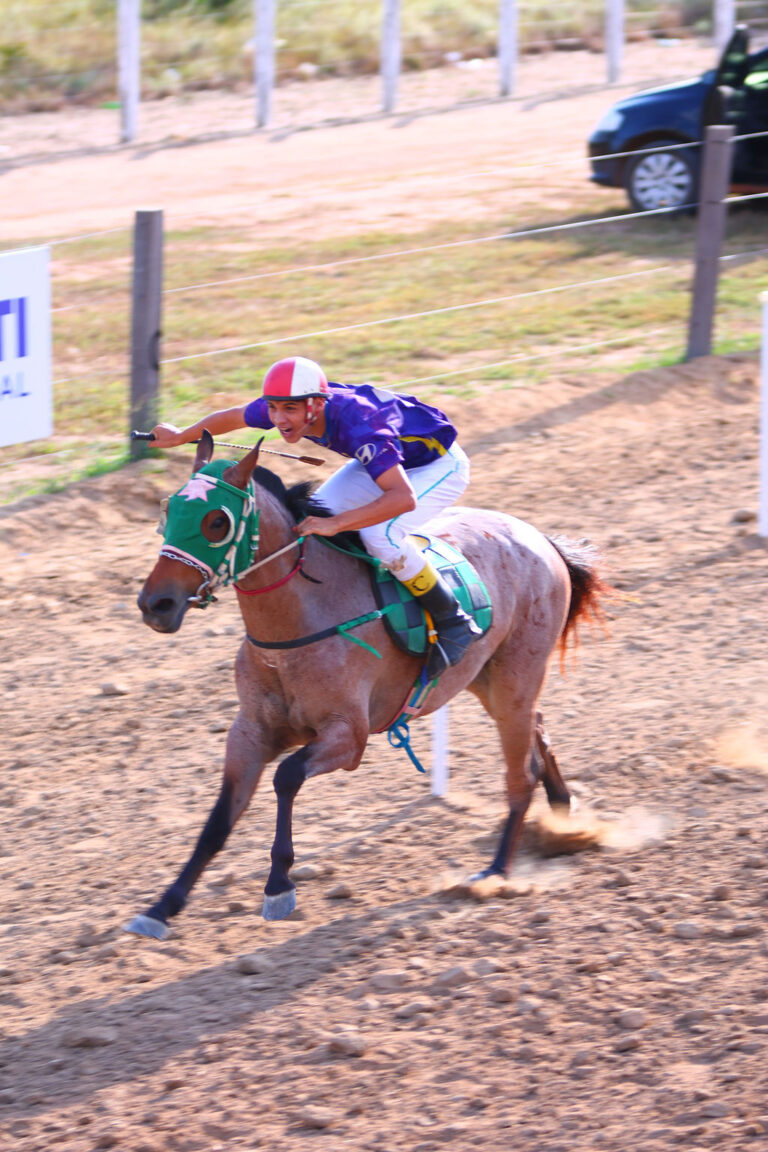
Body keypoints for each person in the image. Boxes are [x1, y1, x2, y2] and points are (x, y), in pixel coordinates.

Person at [151, 356, 481, 678]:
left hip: (437, 466)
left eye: (289, 410)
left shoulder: (360, 425)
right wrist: (181, 436)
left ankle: (452, 618)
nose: (279, 419)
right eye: (272, 408)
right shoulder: (291, 403)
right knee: (316, 515)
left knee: (378, 535)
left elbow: (402, 498)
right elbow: (235, 416)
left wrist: (337, 523)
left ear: (317, 404)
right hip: (390, 460)